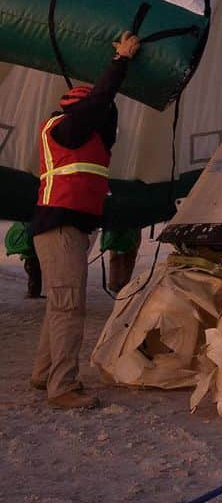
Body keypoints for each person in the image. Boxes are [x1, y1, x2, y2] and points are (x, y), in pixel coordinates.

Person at [29, 31, 141, 409]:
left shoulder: (90, 135)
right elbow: (98, 105)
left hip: (71, 227)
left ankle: (45, 374)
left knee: (60, 303)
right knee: (68, 305)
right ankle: (63, 387)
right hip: (59, 227)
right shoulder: (64, 127)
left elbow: (105, 114)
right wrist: (120, 61)